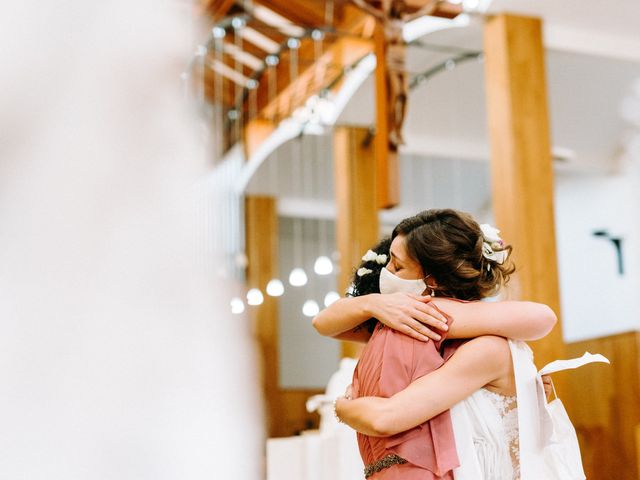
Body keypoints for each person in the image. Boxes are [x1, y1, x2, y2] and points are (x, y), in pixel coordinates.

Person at [313, 209, 557, 479]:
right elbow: (325, 323)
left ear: (434, 280)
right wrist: (374, 303)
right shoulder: (395, 325)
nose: (387, 273)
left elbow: (384, 419)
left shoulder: (441, 325)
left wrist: (343, 406)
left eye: (397, 266)